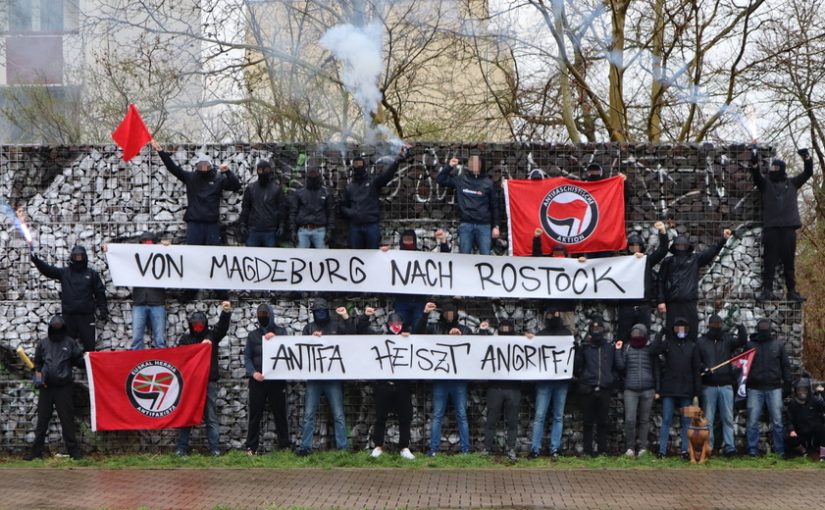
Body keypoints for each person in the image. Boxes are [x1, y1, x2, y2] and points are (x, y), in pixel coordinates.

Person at [750, 149, 814, 302]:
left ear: (783, 169)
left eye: (776, 168)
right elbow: (756, 175)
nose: (773, 170)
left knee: (789, 261)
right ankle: (767, 291)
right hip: (771, 229)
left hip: (788, 229)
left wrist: (807, 158)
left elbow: (808, 173)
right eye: (772, 168)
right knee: (769, 261)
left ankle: (791, 291)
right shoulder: (765, 184)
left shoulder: (792, 183)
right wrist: (753, 159)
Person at [151, 139, 241, 246]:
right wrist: (160, 151)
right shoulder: (191, 178)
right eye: (200, 165)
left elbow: (236, 186)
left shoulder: (218, 179)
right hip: (194, 225)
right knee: (193, 254)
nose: (203, 168)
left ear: (210, 166)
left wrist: (228, 171)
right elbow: (173, 168)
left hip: (212, 225)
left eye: (206, 165)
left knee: (213, 255)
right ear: (196, 166)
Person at [356, 310, 415, 460]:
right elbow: (362, 329)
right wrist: (366, 316)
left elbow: (422, 332)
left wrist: (411, 336)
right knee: (380, 417)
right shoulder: (379, 339)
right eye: (393, 324)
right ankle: (378, 446)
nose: (396, 327)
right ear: (388, 325)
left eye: (399, 324)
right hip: (383, 386)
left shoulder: (407, 338)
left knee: (405, 417)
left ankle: (404, 447)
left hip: (402, 386)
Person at [296, 298, 352, 455]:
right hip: (314, 378)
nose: (320, 314)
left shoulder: (336, 325)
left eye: (322, 311)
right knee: (308, 415)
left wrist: (346, 317)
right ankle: (305, 447)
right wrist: (310, 339)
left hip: (332, 377)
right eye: (317, 312)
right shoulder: (308, 328)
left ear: (327, 311)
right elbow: (302, 350)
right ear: (313, 313)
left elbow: (352, 336)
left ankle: (342, 447)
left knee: (338, 414)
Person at [415, 300, 472, 456]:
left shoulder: (465, 330)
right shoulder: (434, 328)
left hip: (459, 379)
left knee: (461, 414)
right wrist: (425, 313)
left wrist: (461, 337)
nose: (449, 316)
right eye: (446, 313)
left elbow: (474, 348)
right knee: (438, 414)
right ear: (442, 314)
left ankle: (466, 448)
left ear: (455, 314)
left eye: (451, 313)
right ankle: (433, 448)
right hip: (440, 378)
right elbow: (418, 332)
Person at [176, 301, 232, 457]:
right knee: (187, 415)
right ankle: (182, 447)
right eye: (195, 324)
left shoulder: (212, 336)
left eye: (200, 324)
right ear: (191, 324)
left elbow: (222, 327)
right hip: (191, 384)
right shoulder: (185, 340)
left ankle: (214, 448)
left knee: (211, 416)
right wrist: (199, 347)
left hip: (208, 382)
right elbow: (180, 356)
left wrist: (226, 313)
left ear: (205, 324)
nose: (198, 326)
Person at [25, 315, 85, 460]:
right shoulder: (43, 344)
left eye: (59, 327)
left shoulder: (70, 343)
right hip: (46, 388)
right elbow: (37, 364)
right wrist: (38, 377)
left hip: (64, 388)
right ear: (50, 328)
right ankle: (36, 453)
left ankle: (74, 452)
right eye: (54, 327)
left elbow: (79, 361)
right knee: (42, 421)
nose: (57, 330)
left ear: (63, 328)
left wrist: (90, 359)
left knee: (67, 421)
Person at [656, 229, 732, 340]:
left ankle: (691, 353)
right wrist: (661, 301)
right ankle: (673, 353)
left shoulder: (695, 259)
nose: (681, 247)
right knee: (672, 331)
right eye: (678, 245)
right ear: (674, 246)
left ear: (687, 246)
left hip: (689, 302)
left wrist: (723, 239)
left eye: (683, 245)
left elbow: (711, 252)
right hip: (672, 302)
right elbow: (660, 281)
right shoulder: (668, 261)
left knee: (691, 330)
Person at [31, 245, 107, 352]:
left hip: (86, 316)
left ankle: (88, 368)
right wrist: (36, 261)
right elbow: (49, 271)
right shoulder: (64, 273)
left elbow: (100, 293)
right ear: (72, 257)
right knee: (66, 347)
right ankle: (67, 368)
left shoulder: (92, 274)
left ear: (84, 257)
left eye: (80, 256)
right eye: (76, 256)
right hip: (69, 316)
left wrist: (103, 310)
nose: (78, 258)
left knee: (89, 346)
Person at [696, 315, 747, 456]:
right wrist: (703, 368)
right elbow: (696, 360)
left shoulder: (727, 339)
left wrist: (740, 326)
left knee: (727, 419)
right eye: (714, 325)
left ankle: (730, 447)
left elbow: (742, 341)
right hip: (708, 386)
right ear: (708, 326)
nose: (716, 327)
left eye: (718, 324)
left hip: (726, 385)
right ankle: (709, 447)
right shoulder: (701, 342)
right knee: (709, 420)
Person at [243, 304, 290, 454]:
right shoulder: (253, 336)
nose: (262, 317)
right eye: (259, 314)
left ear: (271, 315)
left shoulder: (282, 332)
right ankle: (251, 447)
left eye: (264, 314)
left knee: (280, 413)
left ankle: (284, 445)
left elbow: (289, 351)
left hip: (276, 381)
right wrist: (253, 373)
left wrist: (277, 340)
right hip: (258, 381)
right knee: (255, 414)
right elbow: (247, 357)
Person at [380, 228, 450, 330]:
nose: (408, 242)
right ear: (401, 241)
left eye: (410, 239)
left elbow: (444, 260)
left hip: (419, 300)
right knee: (398, 330)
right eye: (406, 239)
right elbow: (380, 266)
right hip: (401, 300)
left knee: (419, 328)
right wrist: (382, 253)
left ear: (414, 240)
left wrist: (443, 242)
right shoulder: (395, 256)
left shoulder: (422, 256)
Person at [652, 317, 701, 459]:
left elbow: (696, 369)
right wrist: (660, 333)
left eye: (683, 328)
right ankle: (662, 451)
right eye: (677, 328)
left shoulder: (693, 346)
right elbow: (654, 350)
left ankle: (685, 450)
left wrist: (696, 391)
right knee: (666, 420)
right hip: (669, 389)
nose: (680, 331)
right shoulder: (667, 344)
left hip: (686, 391)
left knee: (686, 421)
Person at [528, 307, 573, 460]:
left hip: (560, 380)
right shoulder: (542, 335)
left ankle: (554, 448)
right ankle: (536, 448)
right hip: (546, 381)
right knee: (541, 416)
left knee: (557, 416)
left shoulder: (566, 335)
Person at [341, 148, 407, 249]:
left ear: (364, 165)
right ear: (353, 166)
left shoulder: (373, 182)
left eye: (360, 164)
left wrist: (397, 160)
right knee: (356, 254)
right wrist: (352, 213)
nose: (358, 166)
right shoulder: (349, 187)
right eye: (356, 164)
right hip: (355, 227)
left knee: (373, 255)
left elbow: (387, 176)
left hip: (371, 226)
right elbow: (343, 207)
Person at [574, 319, 622, 456]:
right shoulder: (586, 348)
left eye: (599, 330)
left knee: (603, 422)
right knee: (587, 422)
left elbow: (615, 367)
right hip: (588, 388)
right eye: (594, 330)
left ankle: (602, 450)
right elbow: (577, 366)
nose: (597, 333)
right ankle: (587, 450)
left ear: (603, 331)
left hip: (604, 388)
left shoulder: (609, 347)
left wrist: (610, 379)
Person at [745, 318, 791, 457]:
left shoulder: (778, 345)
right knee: (752, 421)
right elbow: (744, 367)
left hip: (774, 388)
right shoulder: (750, 345)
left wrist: (787, 384)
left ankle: (779, 450)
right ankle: (752, 450)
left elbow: (785, 366)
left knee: (777, 421)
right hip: (754, 388)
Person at [616, 222, 669, 343]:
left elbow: (663, 250)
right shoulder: (621, 263)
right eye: (632, 246)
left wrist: (662, 232)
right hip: (626, 306)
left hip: (643, 306)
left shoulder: (646, 261)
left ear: (641, 248)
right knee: (623, 338)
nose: (634, 249)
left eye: (637, 246)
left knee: (644, 339)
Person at [436, 156, 499, 255]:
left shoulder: (488, 183)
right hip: (466, 224)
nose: (473, 164)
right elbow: (440, 179)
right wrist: (449, 166)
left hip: (484, 225)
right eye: (471, 162)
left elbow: (494, 206)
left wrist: (496, 226)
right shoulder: (461, 180)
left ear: (481, 164)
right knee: (464, 256)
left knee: (486, 257)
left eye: (475, 162)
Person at [479, 319, 523, 462]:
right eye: (502, 327)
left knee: (512, 421)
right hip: (496, 387)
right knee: (491, 420)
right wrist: (483, 331)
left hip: (513, 388)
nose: (505, 330)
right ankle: (487, 447)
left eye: (507, 327)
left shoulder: (519, 342)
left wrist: (531, 340)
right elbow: (479, 347)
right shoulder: (493, 341)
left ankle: (510, 448)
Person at [618, 323, 659, 457]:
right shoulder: (627, 347)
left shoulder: (650, 348)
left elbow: (656, 369)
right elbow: (621, 366)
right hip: (630, 389)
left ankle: (642, 448)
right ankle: (629, 448)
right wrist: (618, 351)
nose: (636, 336)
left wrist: (657, 388)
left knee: (644, 420)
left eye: (639, 333)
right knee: (630, 419)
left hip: (648, 389)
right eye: (634, 333)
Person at [128, 232, 168, 349]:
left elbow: (174, 254)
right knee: (136, 339)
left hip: (157, 303)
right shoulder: (134, 257)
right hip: (140, 302)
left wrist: (165, 246)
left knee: (160, 339)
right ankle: (137, 364)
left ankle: (160, 364)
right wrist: (107, 248)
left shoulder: (162, 255)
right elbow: (120, 252)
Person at [240, 160, 286, 247]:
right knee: (251, 257)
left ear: (270, 171)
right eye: (260, 170)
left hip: (270, 230)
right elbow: (245, 208)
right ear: (257, 171)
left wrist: (281, 225)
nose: (263, 172)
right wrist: (243, 224)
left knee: (270, 258)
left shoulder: (276, 189)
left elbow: (281, 209)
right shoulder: (251, 188)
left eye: (266, 170)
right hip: (254, 229)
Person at [289, 167, 335, 249]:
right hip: (303, 230)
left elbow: (331, 213)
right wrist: (293, 230)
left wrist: (329, 231)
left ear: (319, 175)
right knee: (300, 258)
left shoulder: (326, 193)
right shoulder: (299, 193)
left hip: (320, 230)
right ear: (307, 175)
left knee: (324, 258)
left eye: (315, 174)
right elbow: (293, 212)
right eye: (311, 174)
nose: (313, 176)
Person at [786, 376, 825, 460]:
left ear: (808, 390)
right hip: (801, 431)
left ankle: (822, 455)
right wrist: (791, 430)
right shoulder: (792, 404)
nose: (802, 392)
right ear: (796, 391)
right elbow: (789, 419)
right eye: (799, 390)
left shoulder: (815, 401)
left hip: (816, 431)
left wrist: (822, 394)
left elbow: (823, 410)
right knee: (789, 437)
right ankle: (803, 452)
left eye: (804, 390)